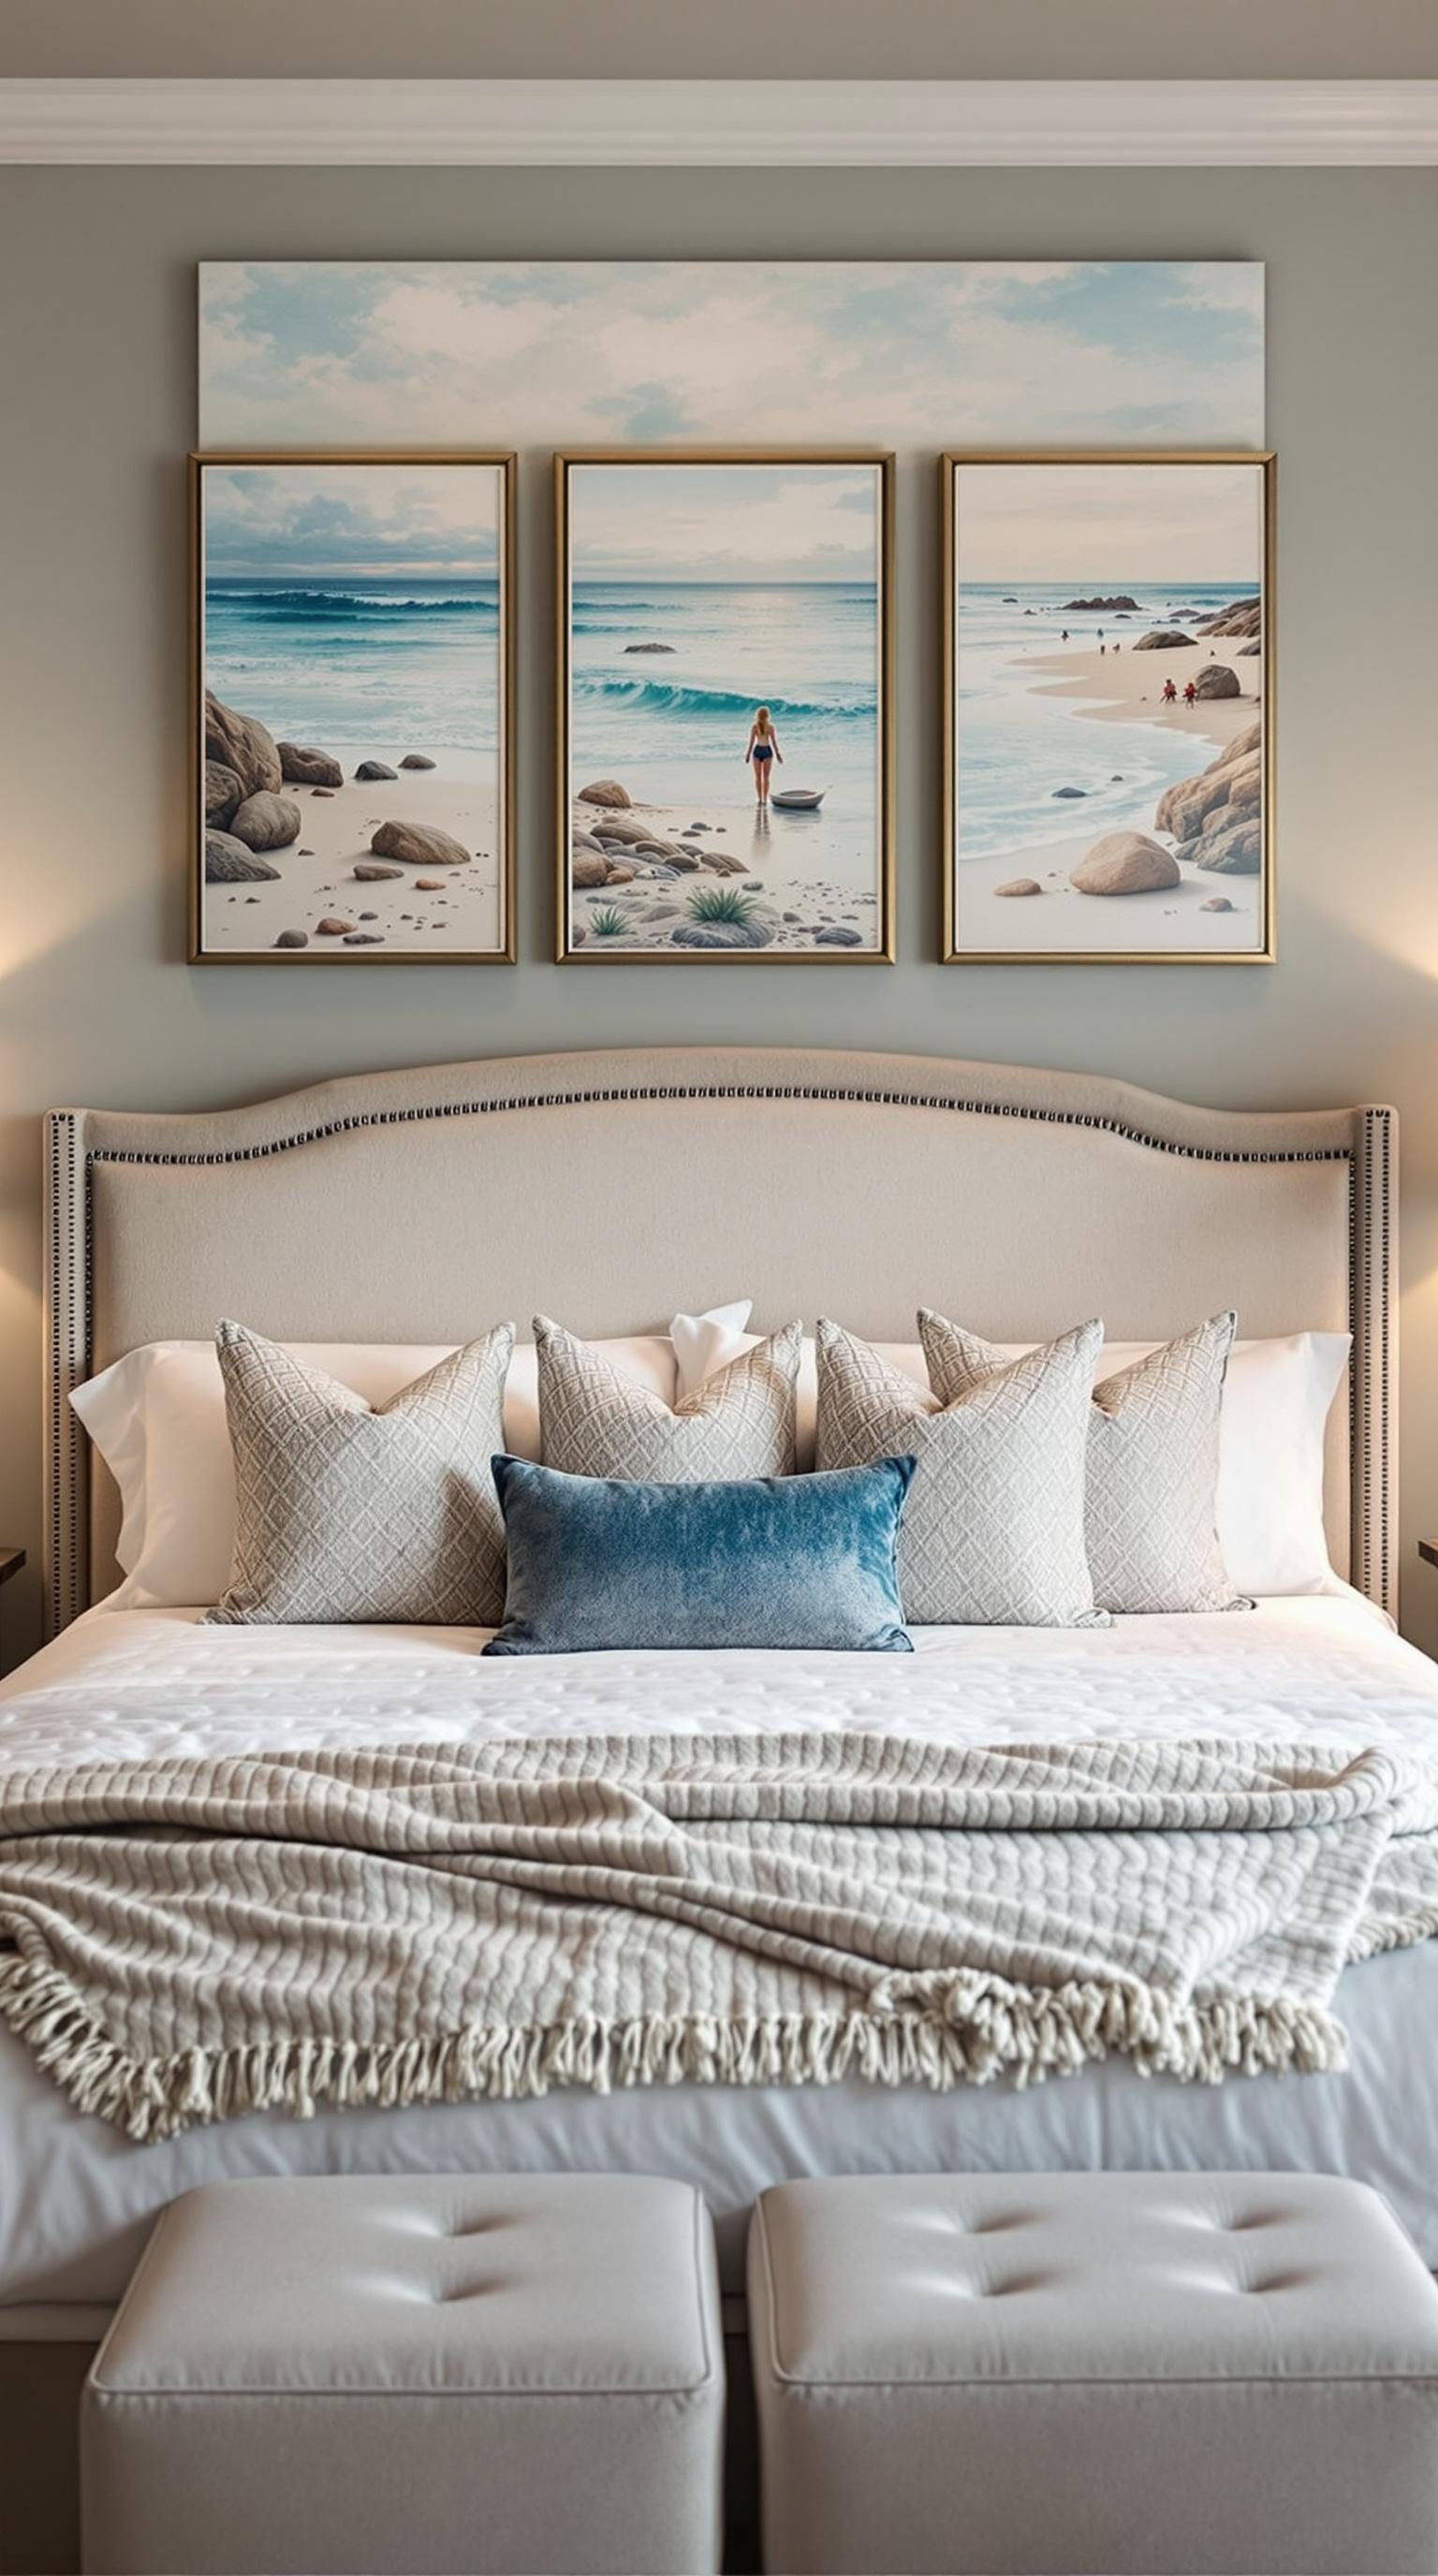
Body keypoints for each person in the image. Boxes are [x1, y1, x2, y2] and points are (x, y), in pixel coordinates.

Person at [745, 707, 783, 803]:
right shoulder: (770, 727)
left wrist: (748, 754)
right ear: (767, 716)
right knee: (766, 777)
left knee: (758, 777)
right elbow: (774, 742)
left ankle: (760, 798)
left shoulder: (755, 727)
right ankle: (764, 799)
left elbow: (751, 742)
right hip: (767, 751)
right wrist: (778, 754)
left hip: (757, 751)